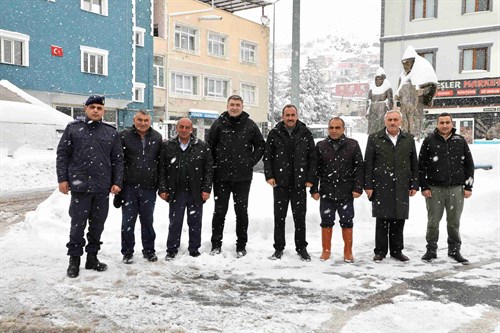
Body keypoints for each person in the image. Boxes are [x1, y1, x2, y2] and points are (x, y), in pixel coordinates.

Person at [56, 95, 123, 278]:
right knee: (77, 225)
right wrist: (63, 179)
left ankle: (92, 258)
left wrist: (117, 182)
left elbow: (117, 159)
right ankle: (74, 260)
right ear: (85, 109)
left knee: (97, 225)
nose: (95, 110)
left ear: (104, 111)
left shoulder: (111, 132)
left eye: (99, 108)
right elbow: (63, 155)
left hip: (102, 187)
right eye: (92, 107)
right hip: (80, 187)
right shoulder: (73, 129)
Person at [207, 95, 265, 258]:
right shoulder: (218, 124)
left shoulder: (250, 125)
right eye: (232, 104)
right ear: (227, 106)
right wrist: (215, 164)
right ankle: (216, 245)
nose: (234, 107)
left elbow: (260, 145)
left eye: (237, 105)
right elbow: (209, 146)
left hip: (243, 178)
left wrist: (250, 161)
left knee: (241, 212)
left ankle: (241, 245)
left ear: (242, 106)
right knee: (219, 212)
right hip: (221, 177)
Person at [419, 113, 474, 264]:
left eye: (447, 122)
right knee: (433, 222)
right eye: (441, 122)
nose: (444, 125)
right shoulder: (429, 141)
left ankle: (454, 250)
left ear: (452, 123)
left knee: (454, 221)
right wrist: (424, 186)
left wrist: (468, 186)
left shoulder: (460, 141)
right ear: (437, 124)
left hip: (456, 189)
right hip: (434, 188)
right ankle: (431, 249)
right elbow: (421, 165)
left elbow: (469, 164)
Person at [364, 110, 419, 262]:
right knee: (382, 220)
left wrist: (414, 183)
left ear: (400, 121)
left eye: (395, 119)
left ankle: (396, 250)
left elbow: (414, 163)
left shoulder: (408, 139)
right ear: (385, 122)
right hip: (381, 184)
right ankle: (380, 251)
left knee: (399, 218)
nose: (393, 122)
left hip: (401, 185)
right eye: (390, 120)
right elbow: (368, 163)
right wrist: (368, 185)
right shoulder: (375, 138)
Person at [264, 104, 316, 261]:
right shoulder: (274, 134)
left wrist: (310, 178)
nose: (290, 118)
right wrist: (269, 175)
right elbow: (268, 157)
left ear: (297, 116)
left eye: (293, 115)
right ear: (282, 117)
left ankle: (301, 248)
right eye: (287, 115)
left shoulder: (306, 133)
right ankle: (278, 248)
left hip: (299, 183)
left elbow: (312, 158)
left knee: (299, 217)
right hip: (280, 183)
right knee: (279, 217)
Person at [311, 117, 364, 263]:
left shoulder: (352, 145)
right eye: (331, 128)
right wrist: (314, 189)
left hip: (346, 192)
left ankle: (348, 251)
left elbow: (359, 167)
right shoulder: (321, 146)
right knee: (326, 221)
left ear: (343, 129)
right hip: (327, 191)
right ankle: (326, 250)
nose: (334, 131)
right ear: (328, 129)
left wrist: (358, 187)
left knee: (347, 221)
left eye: (337, 128)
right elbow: (315, 169)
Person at [159, 118, 213, 260]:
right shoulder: (168, 146)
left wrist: (207, 189)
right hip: (176, 191)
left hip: (196, 191)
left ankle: (194, 248)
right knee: (175, 222)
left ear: (191, 129)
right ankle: (172, 249)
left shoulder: (201, 146)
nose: (184, 130)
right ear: (177, 128)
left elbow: (208, 170)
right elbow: (162, 169)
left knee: (195, 221)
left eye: (187, 127)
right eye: (181, 127)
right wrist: (163, 188)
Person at [118, 110, 162, 264]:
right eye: (140, 120)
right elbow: (118, 161)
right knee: (128, 222)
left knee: (147, 221)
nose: (143, 123)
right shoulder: (123, 136)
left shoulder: (157, 137)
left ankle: (149, 250)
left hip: (149, 187)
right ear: (134, 120)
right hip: (129, 187)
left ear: (150, 121)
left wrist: (160, 185)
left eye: (146, 120)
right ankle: (127, 252)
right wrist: (118, 183)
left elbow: (160, 164)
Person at [395, 45, 438, 139]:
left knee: (414, 127)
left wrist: (422, 91)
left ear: (413, 62)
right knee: (404, 127)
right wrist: (398, 96)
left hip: (416, 106)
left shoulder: (421, 72)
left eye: (407, 63)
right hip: (404, 107)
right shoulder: (403, 77)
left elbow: (431, 86)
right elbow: (399, 91)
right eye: (403, 64)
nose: (405, 66)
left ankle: (414, 142)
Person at [366, 67, 393, 134]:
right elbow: (368, 101)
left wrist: (389, 112)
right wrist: (367, 111)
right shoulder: (372, 88)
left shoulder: (387, 87)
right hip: (373, 111)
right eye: (377, 78)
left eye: (380, 79)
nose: (378, 80)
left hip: (382, 110)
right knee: (372, 129)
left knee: (381, 128)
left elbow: (390, 101)